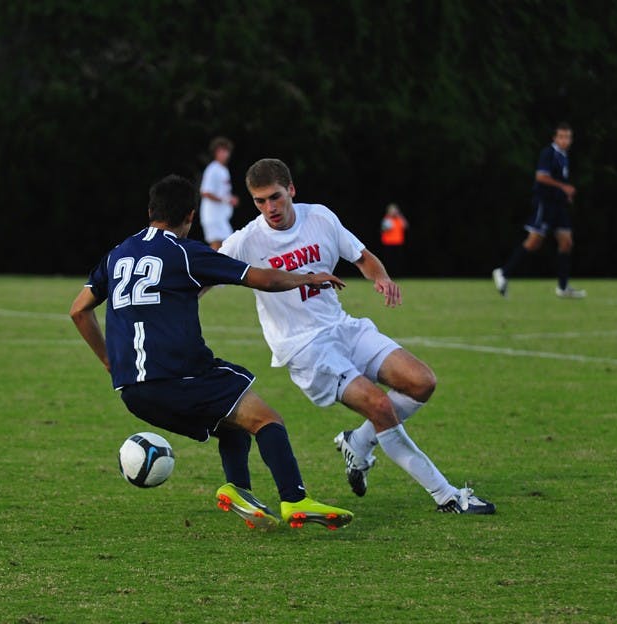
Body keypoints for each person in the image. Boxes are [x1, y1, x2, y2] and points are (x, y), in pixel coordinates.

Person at [70, 174, 353, 530]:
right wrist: (307, 277)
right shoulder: (185, 253)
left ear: (150, 211)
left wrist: (111, 363)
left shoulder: (116, 255)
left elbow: (79, 310)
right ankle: (295, 500)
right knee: (267, 419)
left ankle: (239, 491)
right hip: (177, 375)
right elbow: (262, 278)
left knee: (231, 420)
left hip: (132, 391)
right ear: (190, 215)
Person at [219, 158, 495, 514]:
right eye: (259, 201)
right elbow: (206, 272)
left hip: (342, 326)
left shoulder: (319, 217)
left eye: (274, 197)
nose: (269, 208)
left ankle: (358, 441)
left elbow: (362, 256)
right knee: (380, 406)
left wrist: (380, 277)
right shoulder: (246, 240)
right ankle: (447, 496)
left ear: (291, 190)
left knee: (422, 382)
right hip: (306, 348)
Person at [493, 122, 586, 298]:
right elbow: (541, 177)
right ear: (555, 138)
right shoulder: (548, 154)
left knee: (566, 242)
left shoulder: (564, 156)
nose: (565, 140)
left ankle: (563, 287)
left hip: (558, 205)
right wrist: (563, 187)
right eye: (562, 137)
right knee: (534, 242)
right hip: (545, 204)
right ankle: (503, 273)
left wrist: (565, 194)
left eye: (568, 137)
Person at [198, 136, 239, 250]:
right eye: (222, 151)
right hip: (213, 216)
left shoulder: (223, 169)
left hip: (221, 217)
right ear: (216, 152)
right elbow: (205, 192)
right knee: (218, 244)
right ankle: (210, 267)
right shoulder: (213, 169)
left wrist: (230, 198)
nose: (225, 154)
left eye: (226, 151)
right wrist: (226, 200)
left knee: (226, 245)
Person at [380, 203, 409, 277]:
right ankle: (387, 275)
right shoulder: (386, 219)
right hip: (388, 243)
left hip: (398, 243)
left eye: (395, 210)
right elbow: (383, 230)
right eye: (392, 210)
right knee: (389, 261)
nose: (394, 212)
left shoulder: (399, 219)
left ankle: (398, 275)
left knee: (398, 261)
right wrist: (387, 227)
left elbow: (405, 226)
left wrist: (400, 216)